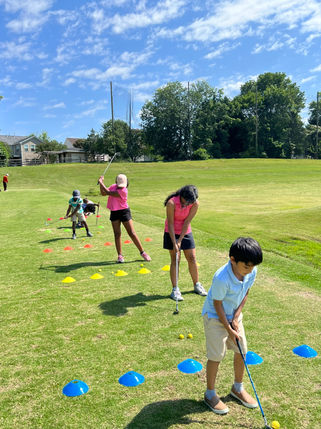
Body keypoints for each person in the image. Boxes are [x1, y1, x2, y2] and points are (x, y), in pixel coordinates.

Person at [202, 237, 263, 415]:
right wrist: (228, 328)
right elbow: (217, 304)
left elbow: (246, 292)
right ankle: (210, 394)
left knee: (241, 350)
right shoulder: (222, 278)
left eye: (253, 266)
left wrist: (236, 317)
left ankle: (237, 388)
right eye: (246, 266)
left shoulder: (251, 271)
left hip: (234, 314)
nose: (250, 270)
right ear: (233, 260)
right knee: (216, 355)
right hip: (215, 315)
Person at [163, 185, 207, 301]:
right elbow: (171, 223)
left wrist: (180, 240)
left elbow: (187, 221)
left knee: (192, 258)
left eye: (189, 203)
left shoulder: (195, 203)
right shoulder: (171, 203)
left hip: (185, 231)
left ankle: (197, 285)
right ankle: (175, 289)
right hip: (171, 231)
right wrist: (174, 242)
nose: (187, 205)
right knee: (175, 259)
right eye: (185, 202)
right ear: (181, 196)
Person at [98, 173, 151, 263]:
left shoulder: (124, 191)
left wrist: (101, 182)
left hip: (124, 212)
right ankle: (120, 255)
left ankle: (142, 252)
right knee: (117, 234)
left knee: (132, 233)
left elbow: (108, 192)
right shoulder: (113, 186)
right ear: (116, 182)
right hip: (114, 212)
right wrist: (101, 183)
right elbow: (103, 193)